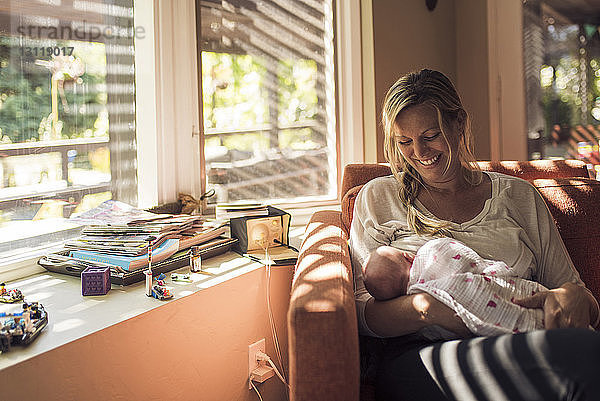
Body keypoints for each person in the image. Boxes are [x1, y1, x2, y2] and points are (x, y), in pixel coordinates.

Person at [349, 68, 600, 400]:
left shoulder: (519, 197)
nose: (420, 152)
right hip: (422, 355)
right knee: (584, 355)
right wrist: (432, 310)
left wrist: (575, 298)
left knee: (585, 351)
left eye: (430, 135)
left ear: (458, 125)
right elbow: (362, 314)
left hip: (518, 338)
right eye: (404, 142)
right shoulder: (379, 197)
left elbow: (582, 300)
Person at [364, 237, 548, 336]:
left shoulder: (522, 193)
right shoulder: (375, 194)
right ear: (408, 256)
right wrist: (429, 307)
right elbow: (360, 311)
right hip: (425, 351)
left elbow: (570, 283)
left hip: (527, 306)